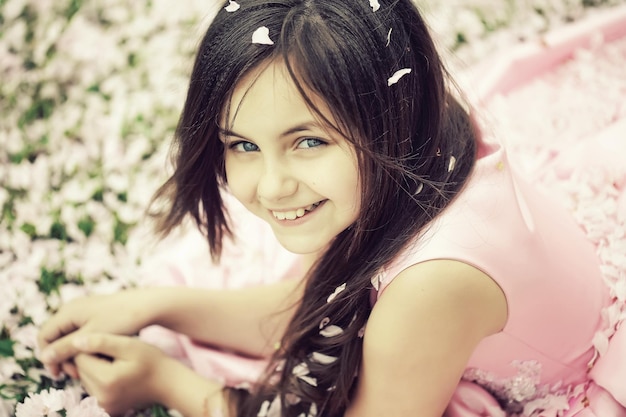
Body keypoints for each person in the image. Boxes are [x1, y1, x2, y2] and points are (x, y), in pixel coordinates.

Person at [37, 0, 626, 416]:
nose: (271, 186)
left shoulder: (431, 288)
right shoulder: (412, 141)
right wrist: (153, 307)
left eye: (309, 141)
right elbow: (305, 305)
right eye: (243, 145)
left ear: (387, 119)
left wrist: (165, 382)